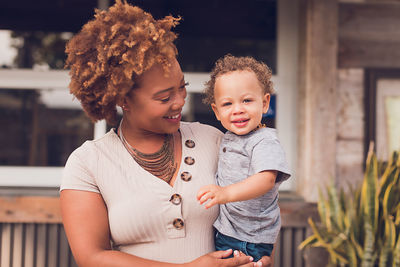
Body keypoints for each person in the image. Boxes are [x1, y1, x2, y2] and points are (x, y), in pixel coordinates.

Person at [60, 1, 272, 266]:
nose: (179, 101)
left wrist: (260, 258)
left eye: (182, 87)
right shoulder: (88, 163)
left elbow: (257, 208)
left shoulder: (216, 141)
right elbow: (92, 257)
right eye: (164, 97)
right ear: (123, 99)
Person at [197, 55, 291, 262]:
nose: (238, 109)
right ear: (216, 111)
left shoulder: (264, 140)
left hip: (249, 237)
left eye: (247, 100)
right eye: (227, 103)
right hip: (228, 231)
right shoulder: (229, 138)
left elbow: (265, 179)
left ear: (265, 103)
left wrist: (225, 193)